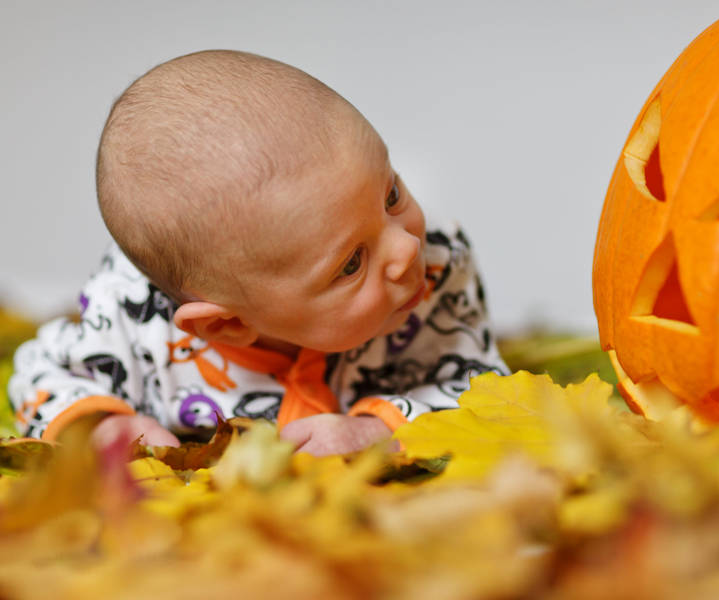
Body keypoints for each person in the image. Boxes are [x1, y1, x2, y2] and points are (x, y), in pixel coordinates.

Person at [8, 50, 507, 456]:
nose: (406, 248)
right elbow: (39, 376)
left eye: (391, 194)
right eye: (351, 263)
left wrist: (377, 431)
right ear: (226, 325)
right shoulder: (130, 318)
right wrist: (103, 426)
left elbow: (482, 388)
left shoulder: (438, 265)